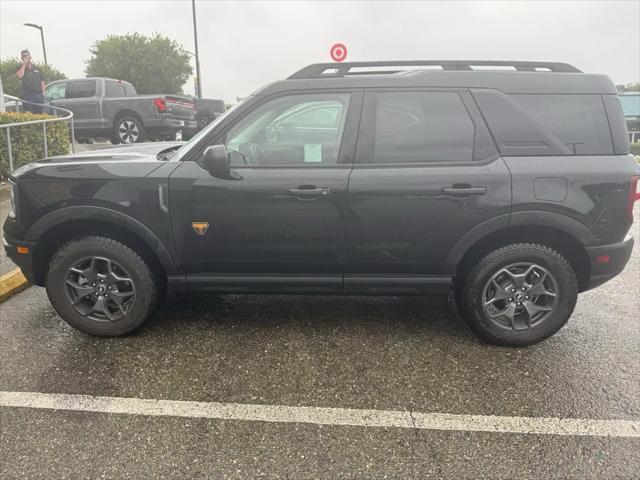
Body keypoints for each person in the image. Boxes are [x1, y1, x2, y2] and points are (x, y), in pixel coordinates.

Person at [15, 49, 45, 114]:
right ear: (21, 58)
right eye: (23, 56)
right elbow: (20, 76)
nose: (25, 57)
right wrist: (24, 64)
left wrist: (43, 94)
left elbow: (42, 82)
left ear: (30, 57)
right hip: (27, 96)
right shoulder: (20, 67)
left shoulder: (37, 68)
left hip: (38, 96)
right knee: (29, 113)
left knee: (40, 113)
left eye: (26, 55)